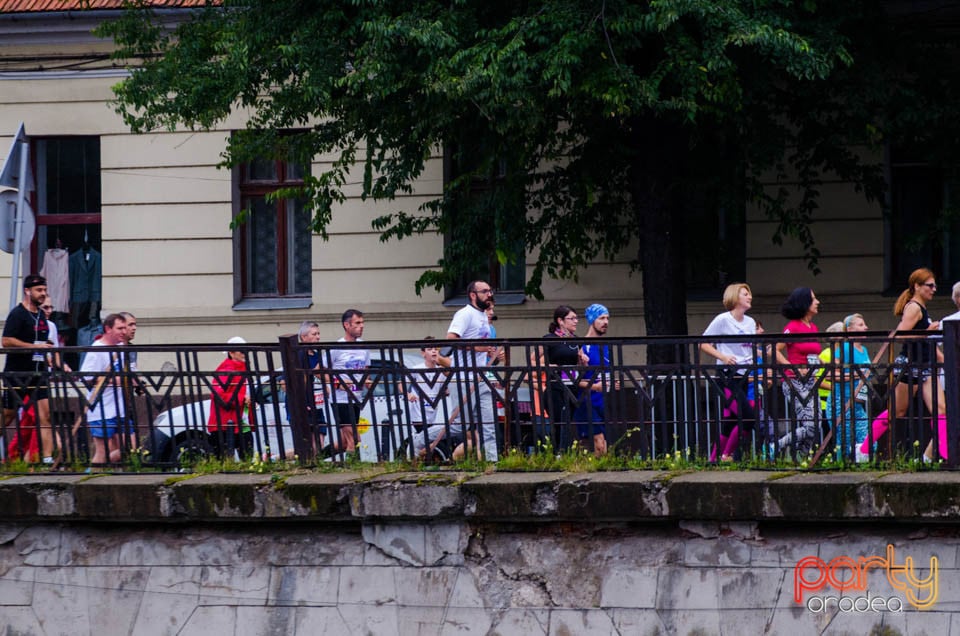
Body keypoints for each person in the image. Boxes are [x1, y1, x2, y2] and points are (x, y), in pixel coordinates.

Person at [861, 268, 948, 461]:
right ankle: (864, 450)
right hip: (910, 365)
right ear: (917, 286)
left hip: (925, 365)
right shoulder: (914, 307)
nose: (934, 289)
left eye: (935, 286)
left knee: (941, 410)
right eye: (930, 285)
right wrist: (927, 330)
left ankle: (937, 456)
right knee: (897, 411)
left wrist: (943, 358)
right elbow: (901, 335)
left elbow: (926, 343)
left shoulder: (922, 308)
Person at [699, 283, 757, 462]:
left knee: (730, 421)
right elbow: (703, 343)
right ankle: (727, 455)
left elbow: (749, 348)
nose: (750, 297)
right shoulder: (723, 319)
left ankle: (713, 460)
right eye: (745, 294)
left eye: (749, 294)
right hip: (727, 375)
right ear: (735, 297)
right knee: (747, 416)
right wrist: (722, 357)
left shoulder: (750, 322)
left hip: (744, 375)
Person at [2, 274, 56, 464]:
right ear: (27, 291)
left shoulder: (41, 314)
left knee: (45, 415)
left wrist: (46, 352)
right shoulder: (17, 314)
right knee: (7, 415)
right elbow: (6, 340)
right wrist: (34, 347)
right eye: (39, 290)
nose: (43, 294)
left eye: (44, 290)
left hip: (39, 372)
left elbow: (41, 340)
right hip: (17, 373)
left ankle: (48, 459)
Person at [446, 280, 499, 461]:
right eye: (485, 291)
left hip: (481, 376)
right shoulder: (464, 314)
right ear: (473, 295)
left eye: (490, 291)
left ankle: (493, 463)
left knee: (489, 423)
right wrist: (480, 348)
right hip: (463, 377)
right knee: (459, 425)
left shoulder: (483, 316)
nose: (489, 294)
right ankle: (419, 442)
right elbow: (451, 339)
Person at [774, 287, 822, 457]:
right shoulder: (793, 327)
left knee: (816, 423)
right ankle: (776, 447)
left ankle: (803, 458)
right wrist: (792, 367)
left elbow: (813, 353)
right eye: (814, 299)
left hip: (810, 379)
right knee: (810, 425)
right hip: (795, 381)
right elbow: (775, 349)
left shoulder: (813, 327)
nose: (818, 302)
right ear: (804, 303)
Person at [820, 313, 871, 462]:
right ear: (849, 329)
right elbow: (830, 374)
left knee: (866, 442)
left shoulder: (864, 349)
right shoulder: (845, 348)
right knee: (846, 443)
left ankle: (861, 467)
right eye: (861, 325)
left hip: (858, 402)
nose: (866, 327)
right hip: (841, 401)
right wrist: (855, 375)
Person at [79, 313, 129, 465]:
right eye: (120, 328)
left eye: (125, 328)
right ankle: (92, 475)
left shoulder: (120, 347)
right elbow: (86, 377)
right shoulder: (97, 350)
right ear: (108, 329)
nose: (124, 332)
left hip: (119, 408)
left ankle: (105, 472)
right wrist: (115, 380)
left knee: (127, 447)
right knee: (103, 451)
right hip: (101, 408)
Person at [534, 305, 584, 450]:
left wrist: (582, 360)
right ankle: (557, 452)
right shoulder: (550, 339)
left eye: (576, 318)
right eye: (572, 318)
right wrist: (550, 365)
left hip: (572, 386)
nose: (576, 321)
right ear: (560, 321)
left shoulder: (576, 340)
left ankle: (565, 453)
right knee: (558, 421)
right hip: (555, 386)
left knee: (568, 421)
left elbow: (578, 362)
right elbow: (533, 360)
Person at [574, 303, 617, 456]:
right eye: (601, 318)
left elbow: (606, 373)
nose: (606, 322)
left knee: (601, 444)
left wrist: (612, 383)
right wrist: (595, 386)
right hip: (586, 401)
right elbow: (572, 379)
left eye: (607, 318)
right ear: (592, 320)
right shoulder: (582, 346)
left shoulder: (606, 346)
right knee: (599, 445)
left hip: (603, 402)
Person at [329, 309, 369, 453]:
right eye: (357, 323)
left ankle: (315, 456)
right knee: (355, 439)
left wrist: (368, 382)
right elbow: (320, 371)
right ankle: (354, 469)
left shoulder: (363, 346)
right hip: (340, 400)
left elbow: (365, 370)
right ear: (347, 325)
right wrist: (338, 384)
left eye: (362, 323)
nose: (362, 326)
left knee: (344, 443)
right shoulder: (336, 347)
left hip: (356, 398)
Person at [407, 337, 454, 458]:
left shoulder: (441, 371)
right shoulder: (416, 369)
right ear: (423, 353)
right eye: (429, 349)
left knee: (433, 440)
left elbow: (446, 386)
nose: (433, 351)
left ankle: (419, 457)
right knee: (425, 438)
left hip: (434, 413)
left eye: (435, 349)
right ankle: (416, 456)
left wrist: (445, 391)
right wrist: (408, 394)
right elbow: (401, 383)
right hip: (419, 413)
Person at [208, 336, 252, 460]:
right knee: (226, 462)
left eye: (246, 351)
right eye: (241, 351)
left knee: (247, 458)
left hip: (241, 422)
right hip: (226, 424)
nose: (245, 354)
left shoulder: (243, 368)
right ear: (231, 353)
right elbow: (217, 394)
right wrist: (241, 399)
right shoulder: (227, 369)